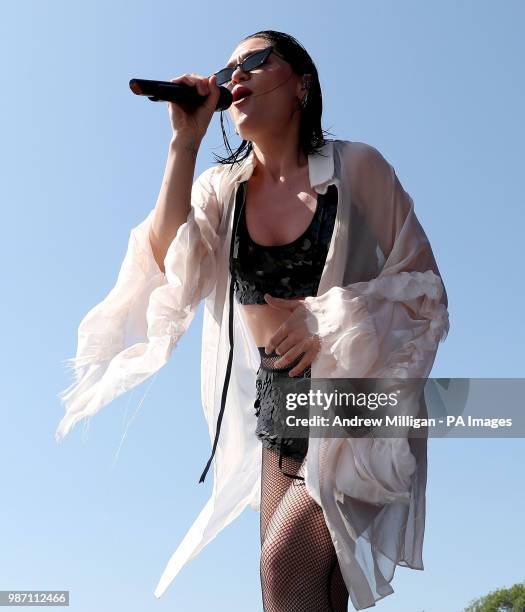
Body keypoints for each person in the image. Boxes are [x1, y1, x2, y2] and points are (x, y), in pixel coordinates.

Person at [56, 30, 450, 611]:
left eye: (257, 60)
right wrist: (183, 145)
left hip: (354, 403)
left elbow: (426, 294)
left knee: (284, 562)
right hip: (278, 410)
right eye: (229, 67)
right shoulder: (223, 191)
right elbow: (167, 269)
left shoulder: (359, 169)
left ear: (302, 85)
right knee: (296, 594)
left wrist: (329, 319)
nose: (236, 75)